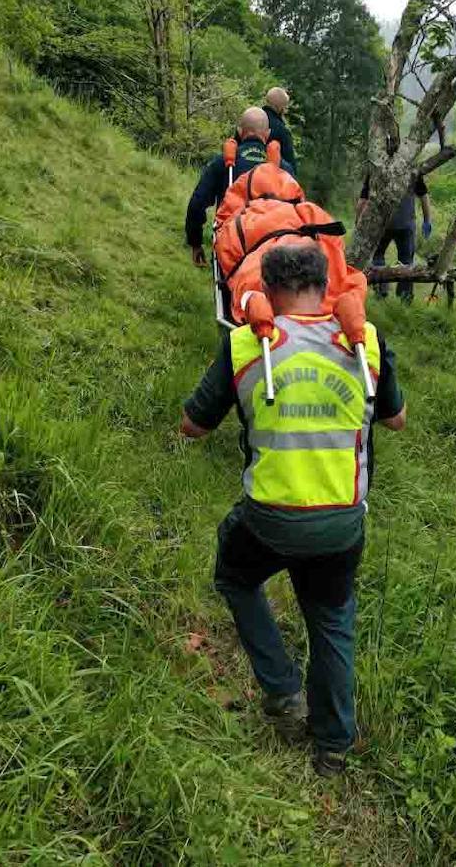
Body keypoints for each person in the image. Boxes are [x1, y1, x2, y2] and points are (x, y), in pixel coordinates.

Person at [181, 242, 406, 777]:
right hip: (340, 522)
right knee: (331, 619)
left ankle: (283, 691)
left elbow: (192, 426)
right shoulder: (365, 343)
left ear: (267, 287)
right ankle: (333, 746)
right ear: (326, 287)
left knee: (235, 577)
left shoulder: (245, 346)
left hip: (268, 519)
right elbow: (396, 419)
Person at [185, 106, 295, 267]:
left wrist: (195, 242)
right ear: (268, 134)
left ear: (239, 131)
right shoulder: (284, 169)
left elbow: (197, 204)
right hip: (273, 250)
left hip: (231, 247)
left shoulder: (223, 163)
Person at [357, 172, 432, 302]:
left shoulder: (378, 169)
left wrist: (359, 222)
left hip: (381, 223)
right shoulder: (412, 170)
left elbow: (363, 199)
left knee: (378, 257)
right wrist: (427, 220)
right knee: (406, 262)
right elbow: (424, 196)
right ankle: (404, 298)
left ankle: (381, 292)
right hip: (406, 224)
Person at [263, 87, 297, 176]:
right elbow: (290, 165)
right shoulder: (281, 130)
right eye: (285, 107)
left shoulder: (251, 120)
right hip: (271, 178)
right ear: (280, 107)